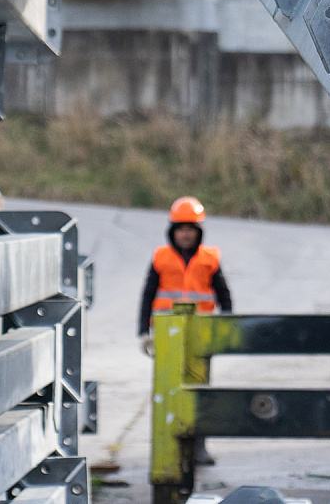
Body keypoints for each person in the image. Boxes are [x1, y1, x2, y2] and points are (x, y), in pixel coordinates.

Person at [140, 196, 232, 465]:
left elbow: (224, 297)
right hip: (167, 338)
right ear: (172, 231)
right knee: (168, 390)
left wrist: (225, 330)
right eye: (180, 229)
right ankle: (169, 444)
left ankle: (199, 446)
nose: (185, 234)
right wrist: (143, 332)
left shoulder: (210, 259)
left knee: (200, 390)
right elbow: (147, 296)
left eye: (190, 229)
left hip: (201, 338)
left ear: (198, 231)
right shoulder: (161, 258)